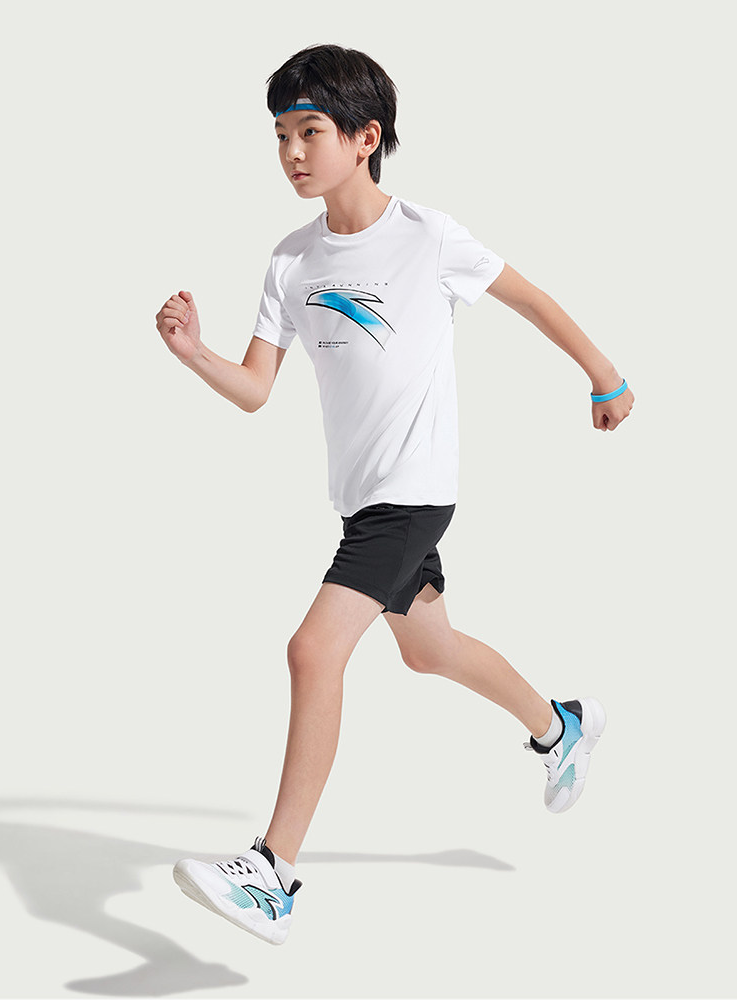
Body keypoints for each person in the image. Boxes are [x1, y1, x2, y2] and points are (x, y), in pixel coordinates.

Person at [155, 43, 633, 947]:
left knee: (312, 651)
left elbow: (530, 299)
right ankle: (560, 728)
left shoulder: (426, 236)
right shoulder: (290, 260)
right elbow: (256, 388)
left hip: (412, 495)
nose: (292, 152)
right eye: (281, 135)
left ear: (366, 138)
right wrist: (193, 353)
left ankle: (273, 874)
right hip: (362, 498)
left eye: (311, 131)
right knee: (429, 650)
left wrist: (604, 375)